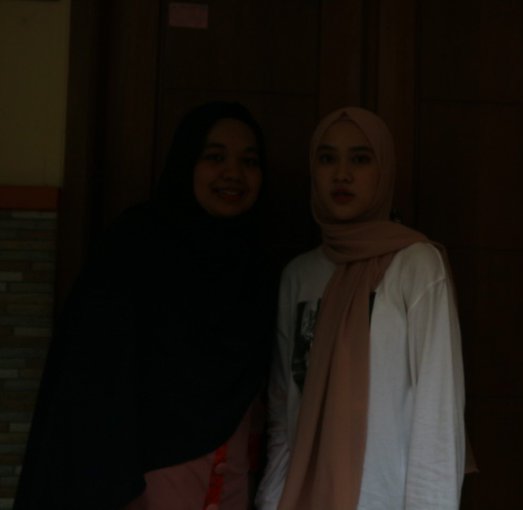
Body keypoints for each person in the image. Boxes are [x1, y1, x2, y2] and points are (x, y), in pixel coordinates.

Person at [13, 101, 276, 510]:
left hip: (232, 481)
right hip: (142, 483)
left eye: (249, 161)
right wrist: (113, 485)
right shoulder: (137, 246)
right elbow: (93, 377)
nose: (233, 173)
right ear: (186, 163)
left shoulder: (258, 266)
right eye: (214, 157)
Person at [255, 107, 466, 510]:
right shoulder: (299, 276)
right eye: (327, 158)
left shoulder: (416, 266)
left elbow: (437, 413)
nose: (342, 174)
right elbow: (284, 412)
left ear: (383, 170)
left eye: (360, 159)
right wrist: (271, 500)